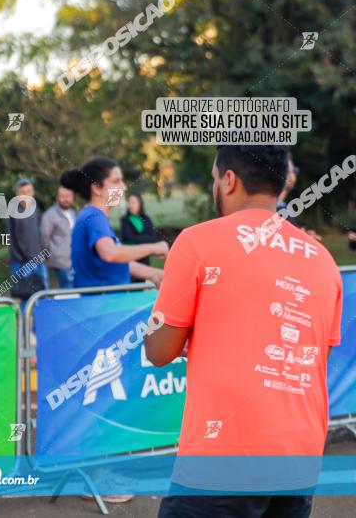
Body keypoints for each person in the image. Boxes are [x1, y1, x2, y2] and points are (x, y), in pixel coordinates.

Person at [146, 145, 343, 517]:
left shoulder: (196, 241)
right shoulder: (323, 260)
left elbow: (158, 351)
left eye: (214, 180)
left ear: (229, 179)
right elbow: (312, 361)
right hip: (298, 459)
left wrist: (165, 314)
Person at [61, 157, 167, 289]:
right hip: (103, 305)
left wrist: (157, 274)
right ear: (97, 188)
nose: (124, 187)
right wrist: (154, 247)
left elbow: (119, 262)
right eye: (116, 181)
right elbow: (110, 254)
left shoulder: (91, 215)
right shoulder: (94, 217)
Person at [7, 177, 49, 298]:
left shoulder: (36, 210)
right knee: (25, 295)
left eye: (28, 191)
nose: (26, 195)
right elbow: (11, 239)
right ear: (17, 194)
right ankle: (25, 317)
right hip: (22, 263)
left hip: (39, 260)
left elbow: (41, 234)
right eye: (22, 192)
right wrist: (22, 260)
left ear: (33, 193)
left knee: (42, 294)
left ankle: (40, 317)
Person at [40, 184, 77, 288]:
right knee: (67, 290)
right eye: (62, 196)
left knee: (76, 292)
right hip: (60, 262)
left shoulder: (73, 213)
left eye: (68, 196)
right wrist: (51, 256)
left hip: (74, 261)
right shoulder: (50, 215)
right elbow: (44, 238)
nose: (66, 199)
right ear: (57, 197)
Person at [119, 192, 161, 282]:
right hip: (131, 256)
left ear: (140, 204)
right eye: (129, 202)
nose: (131, 205)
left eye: (133, 202)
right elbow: (127, 237)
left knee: (143, 282)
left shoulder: (146, 219)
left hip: (144, 257)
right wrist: (145, 239)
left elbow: (153, 237)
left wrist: (138, 239)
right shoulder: (125, 219)